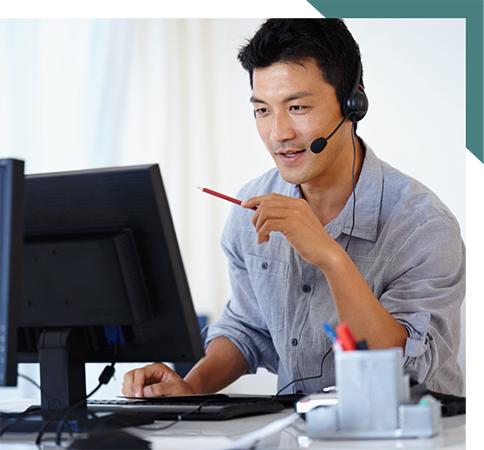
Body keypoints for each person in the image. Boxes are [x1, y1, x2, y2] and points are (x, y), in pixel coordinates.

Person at [122, 17, 464, 398]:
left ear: (354, 104)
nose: (278, 134)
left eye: (297, 107)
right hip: (298, 432)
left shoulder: (423, 225)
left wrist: (330, 257)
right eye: (262, 110)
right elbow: (248, 329)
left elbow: (402, 370)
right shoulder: (251, 207)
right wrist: (190, 386)